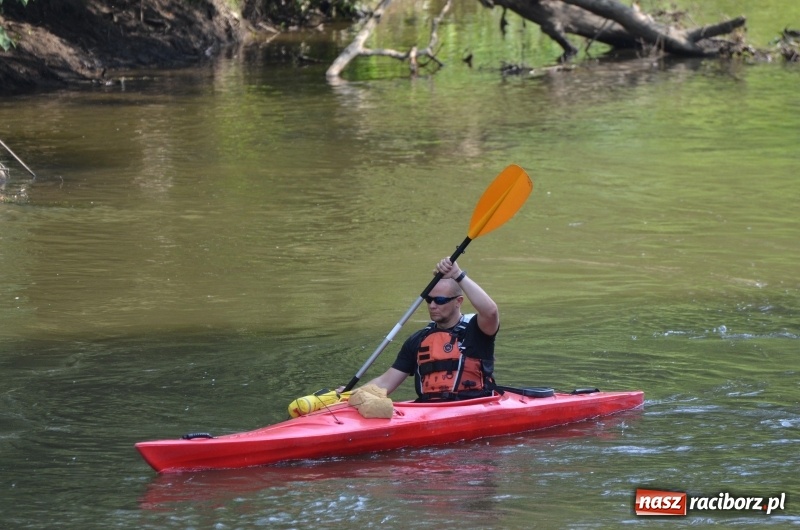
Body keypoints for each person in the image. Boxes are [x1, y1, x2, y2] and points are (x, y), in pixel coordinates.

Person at [360, 257, 501, 401]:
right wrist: (352, 396)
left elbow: (491, 312)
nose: (432, 305)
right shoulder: (418, 340)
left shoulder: (477, 331)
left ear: (458, 301)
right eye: (429, 299)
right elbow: (385, 382)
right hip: (429, 409)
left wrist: (457, 274)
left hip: (471, 406)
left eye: (440, 300)